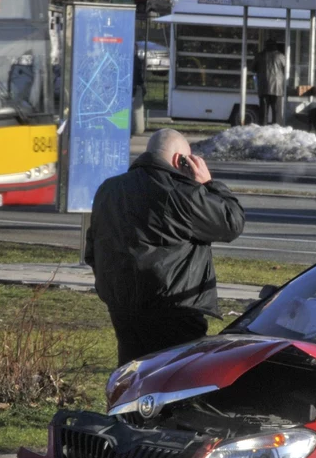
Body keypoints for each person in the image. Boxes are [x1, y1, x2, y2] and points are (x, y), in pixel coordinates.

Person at [85, 129, 246, 366]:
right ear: (179, 160)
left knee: (133, 378)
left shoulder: (108, 190)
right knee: (175, 382)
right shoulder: (182, 193)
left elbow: (92, 251)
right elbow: (232, 222)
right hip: (174, 309)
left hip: (123, 308)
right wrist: (208, 183)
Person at [256, 40, 287, 126]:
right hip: (277, 87)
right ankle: (277, 128)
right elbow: (286, 70)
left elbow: (253, 68)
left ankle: (262, 128)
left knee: (263, 111)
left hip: (263, 86)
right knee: (276, 111)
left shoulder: (259, 56)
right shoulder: (281, 56)